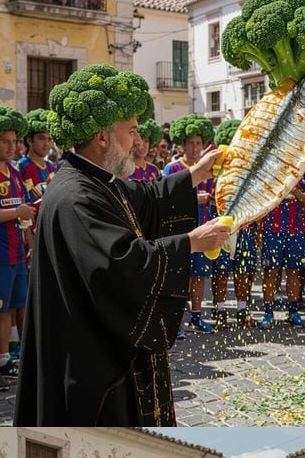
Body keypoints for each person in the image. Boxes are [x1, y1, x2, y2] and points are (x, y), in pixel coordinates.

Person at [14, 64, 229, 426]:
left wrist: (197, 173)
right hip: (91, 359)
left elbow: (144, 198)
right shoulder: (75, 195)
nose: (138, 143)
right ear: (102, 137)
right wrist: (189, 243)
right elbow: (118, 263)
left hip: (98, 342)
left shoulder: (95, 178)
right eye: (131, 132)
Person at [0, 108, 34, 394]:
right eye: (5, 141)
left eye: (14, 141)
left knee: (15, 308)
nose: (12, 146)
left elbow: (25, 211)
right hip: (0, 256)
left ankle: (6, 359)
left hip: (18, 253)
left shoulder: (15, 172)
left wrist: (29, 237)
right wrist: (16, 211)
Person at [163, 113, 221, 333]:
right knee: (180, 276)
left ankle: (197, 315)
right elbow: (167, 197)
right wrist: (196, 198)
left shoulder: (210, 168)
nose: (195, 148)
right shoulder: (172, 168)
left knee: (199, 275)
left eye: (199, 143)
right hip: (181, 230)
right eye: (191, 144)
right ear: (183, 145)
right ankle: (175, 321)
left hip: (204, 226)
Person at [259, 173, 305, 328]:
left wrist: (295, 191)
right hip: (272, 230)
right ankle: (268, 314)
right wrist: (259, 230)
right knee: (270, 272)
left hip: (295, 231)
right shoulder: (270, 172)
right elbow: (260, 201)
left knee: (294, 272)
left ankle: (293, 312)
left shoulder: (302, 171)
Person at [17, 109, 57, 208]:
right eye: (41, 138)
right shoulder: (21, 166)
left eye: (49, 139)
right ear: (30, 141)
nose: (47, 144)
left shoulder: (51, 167)